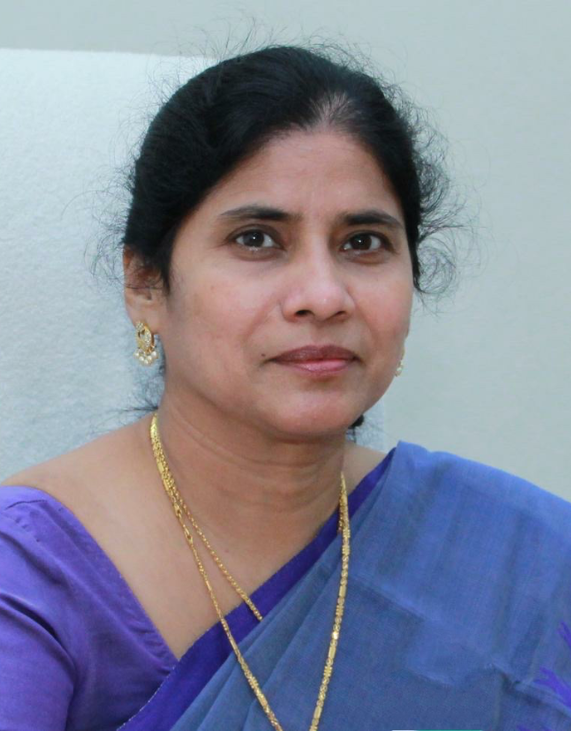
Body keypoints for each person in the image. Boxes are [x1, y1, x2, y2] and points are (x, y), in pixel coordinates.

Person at [1, 42, 570, 731]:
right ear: (146, 284)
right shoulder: (29, 576)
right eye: (257, 239)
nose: (323, 296)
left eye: (363, 243)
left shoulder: (517, 563)